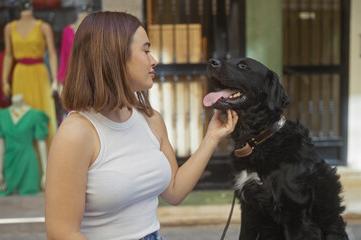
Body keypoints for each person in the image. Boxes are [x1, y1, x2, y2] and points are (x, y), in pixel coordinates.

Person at [45, 11, 238, 240]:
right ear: (113, 56)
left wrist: (212, 138)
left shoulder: (151, 119)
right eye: (145, 50)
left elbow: (174, 191)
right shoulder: (76, 133)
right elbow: (61, 233)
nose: (153, 60)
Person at [1, 0, 57, 150]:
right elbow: (8, 55)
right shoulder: (9, 28)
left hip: (40, 74)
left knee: (43, 114)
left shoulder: (44, 27)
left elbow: (52, 54)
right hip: (19, 75)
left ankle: (49, 164)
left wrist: (55, 80)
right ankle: (26, 165)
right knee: (21, 117)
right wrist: (4, 80)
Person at [0, 94, 49, 196]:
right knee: (6, 203)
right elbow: (0, 145)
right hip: (9, 165)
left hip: (29, 166)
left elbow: (42, 144)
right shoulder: (1, 116)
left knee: (31, 200)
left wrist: (46, 173)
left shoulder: (35, 115)